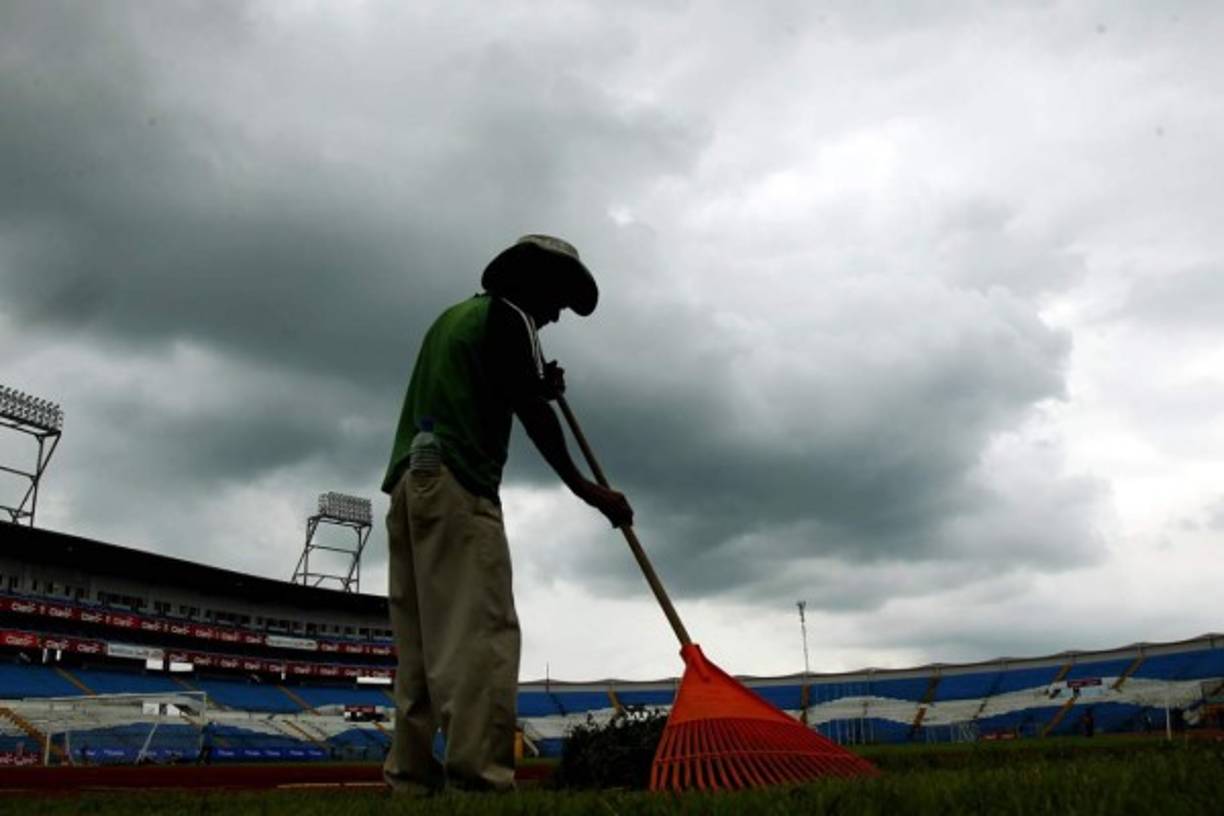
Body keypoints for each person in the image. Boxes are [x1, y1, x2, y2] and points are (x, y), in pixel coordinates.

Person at [381, 235, 633, 795]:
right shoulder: (511, 315)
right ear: (534, 282)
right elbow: (532, 411)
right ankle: (480, 781)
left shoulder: (457, 317)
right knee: (480, 636)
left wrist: (539, 382)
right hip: (458, 486)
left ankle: (410, 782)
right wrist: (588, 490)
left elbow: (504, 383)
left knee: (420, 652)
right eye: (559, 301)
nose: (557, 316)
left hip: (409, 487)